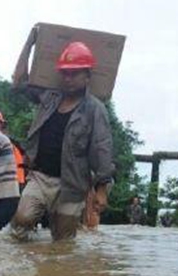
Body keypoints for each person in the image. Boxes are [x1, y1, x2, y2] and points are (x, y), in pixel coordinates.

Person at [10, 29, 114, 241]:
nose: (68, 78)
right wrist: (30, 42)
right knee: (22, 219)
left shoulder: (95, 109)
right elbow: (19, 81)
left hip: (72, 186)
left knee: (63, 242)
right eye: (65, 73)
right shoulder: (49, 98)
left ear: (87, 75)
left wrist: (101, 189)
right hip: (40, 177)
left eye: (74, 73)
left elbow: (102, 149)